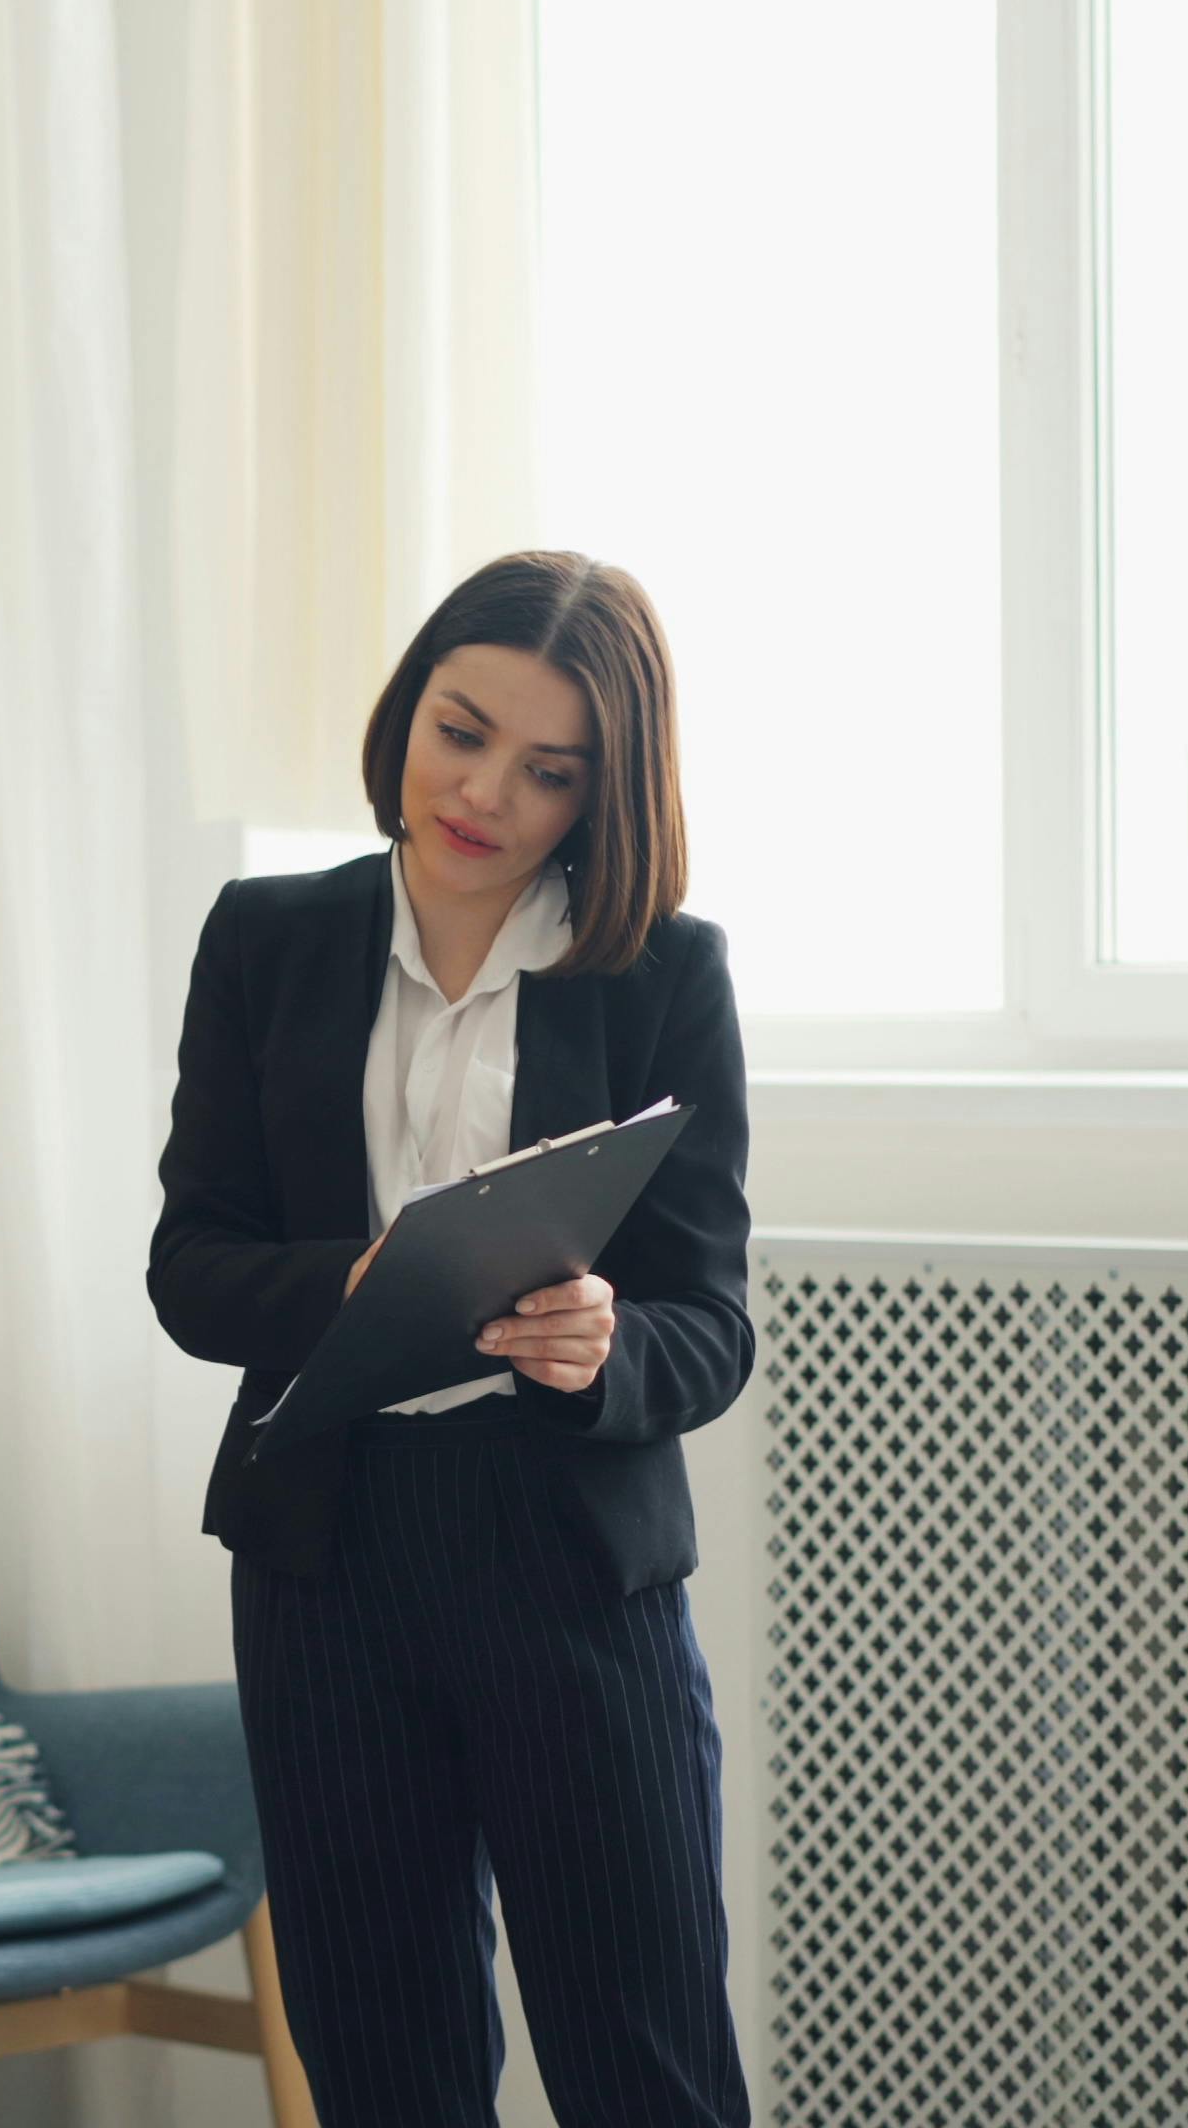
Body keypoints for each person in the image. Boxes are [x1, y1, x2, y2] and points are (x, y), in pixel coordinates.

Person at [149, 551, 755, 2127]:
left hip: (566, 1560)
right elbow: (190, 1267)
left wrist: (604, 1347)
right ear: (406, 706)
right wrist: (343, 1291)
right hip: (326, 1558)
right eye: (458, 728)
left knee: (647, 2069)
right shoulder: (268, 939)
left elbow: (713, 1325)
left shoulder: (662, 976)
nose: (482, 791)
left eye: (548, 772)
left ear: (602, 798)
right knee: (383, 2072)